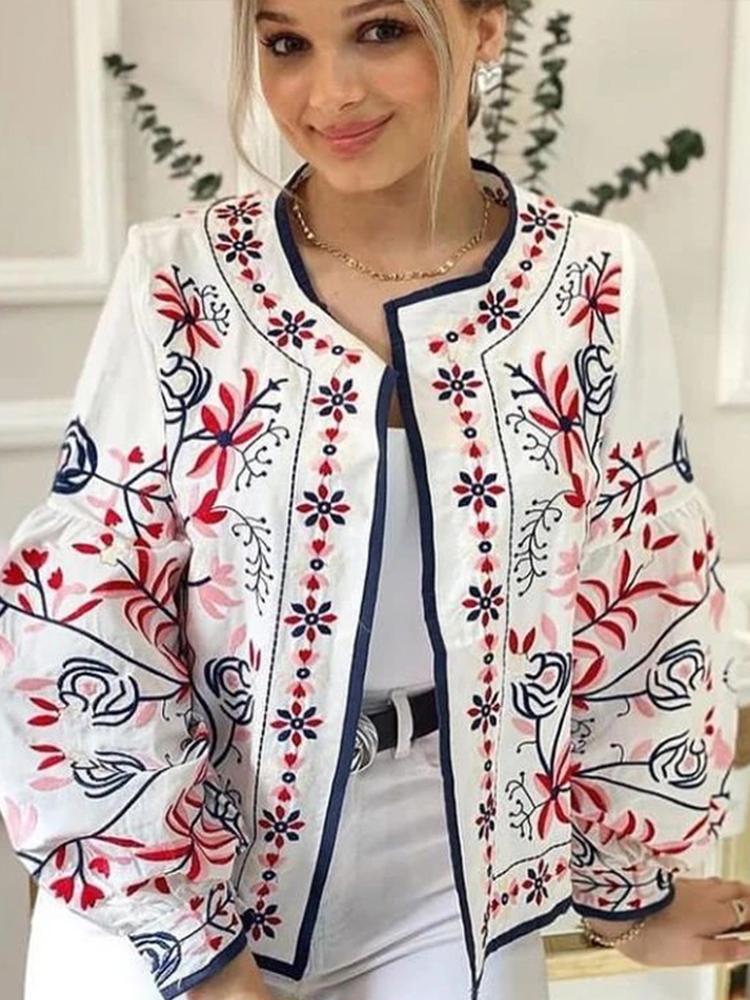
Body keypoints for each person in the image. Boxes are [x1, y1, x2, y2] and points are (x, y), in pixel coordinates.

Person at [1, 0, 749, 998]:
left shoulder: (593, 282)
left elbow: (642, 582)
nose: (330, 94)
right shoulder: (180, 280)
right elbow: (87, 606)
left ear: (486, 27)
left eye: (381, 30)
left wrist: (627, 886)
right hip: (188, 857)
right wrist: (196, 948)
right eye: (286, 44)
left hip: (458, 869)